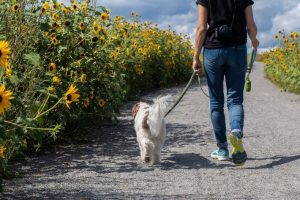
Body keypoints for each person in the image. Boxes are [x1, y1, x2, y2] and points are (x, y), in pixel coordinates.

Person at [193, 0, 259, 165]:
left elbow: (201, 28)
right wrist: (254, 40)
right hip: (237, 49)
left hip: (213, 50)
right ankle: (236, 131)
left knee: (216, 102)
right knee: (235, 99)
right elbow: (250, 24)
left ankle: (222, 149)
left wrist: (195, 57)